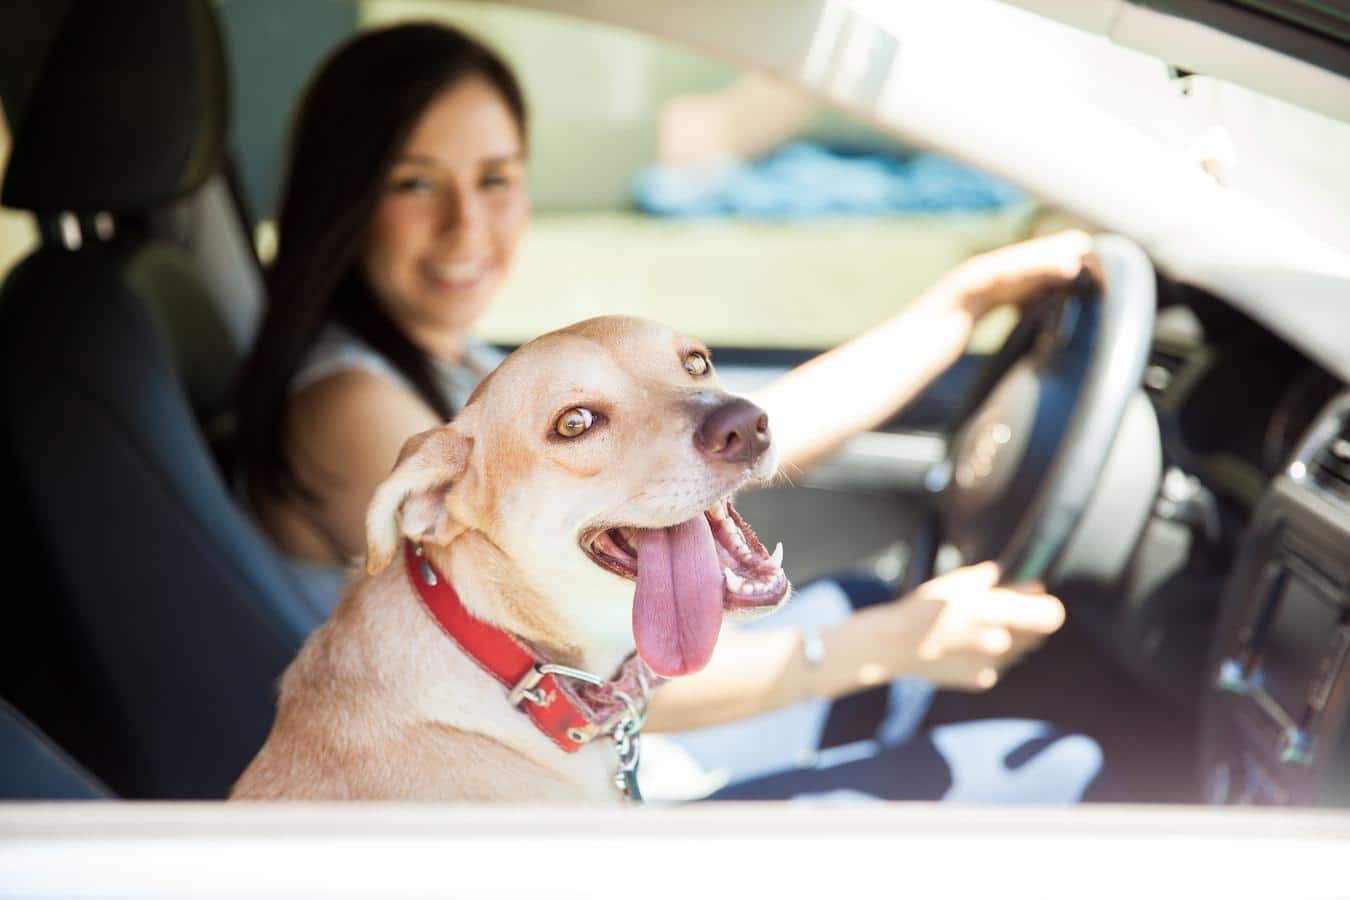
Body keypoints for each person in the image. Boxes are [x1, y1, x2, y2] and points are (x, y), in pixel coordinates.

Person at [233, 22, 1103, 802]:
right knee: (1046, 762)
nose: (469, 223)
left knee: (876, 606)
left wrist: (959, 306)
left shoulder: (455, 360)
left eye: (496, 177)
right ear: (346, 198)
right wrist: (890, 644)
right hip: (539, 753)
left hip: (583, 736)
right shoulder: (353, 406)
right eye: (416, 183)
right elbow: (597, 675)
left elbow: (734, 430)